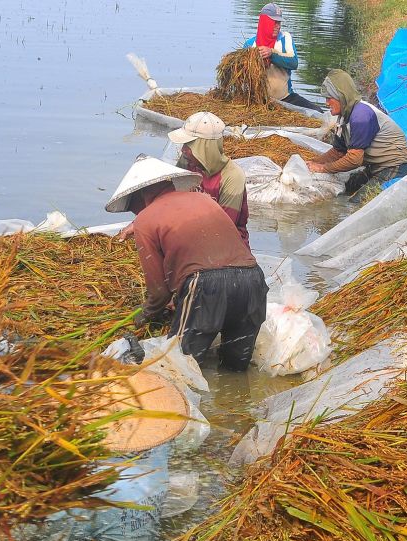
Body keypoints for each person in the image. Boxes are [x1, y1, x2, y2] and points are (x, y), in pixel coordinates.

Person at [106, 156, 267, 371]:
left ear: (142, 194)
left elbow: (159, 291)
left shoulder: (145, 220)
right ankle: (236, 403)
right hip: (253, 279)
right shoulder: (205, 200)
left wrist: (145, 314)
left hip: (206, 285)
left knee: (181, 367)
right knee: (235, 369)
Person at [306, 69, 407, 195]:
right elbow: (338, 152)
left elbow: (354, 160)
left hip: (396, 167)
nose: (326, 103)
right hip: (375, 168)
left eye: (329, 98)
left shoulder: (360, 116)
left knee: (359, 203)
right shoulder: (344, 117)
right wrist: (313, 163)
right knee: (345, 189)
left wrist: (323, 168)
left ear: (341, 96)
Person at [168, 112, 250, 246]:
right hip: (190, 236)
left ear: (203, 148)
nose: (183, 150)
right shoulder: (187, 163)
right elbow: (169, 200)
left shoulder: (232, 176)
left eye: (189, 145)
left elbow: (224, 229)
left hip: (227, 248)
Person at [243, 3, 322, 112]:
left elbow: (294, 63)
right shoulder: (250, 45)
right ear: (265, 22)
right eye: (274, 22)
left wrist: (272, 54)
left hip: (286, 99)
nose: (278, 26)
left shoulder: (286, 39)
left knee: (317, 111)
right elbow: (243, 75)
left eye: (279, 22)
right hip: (259, 100)